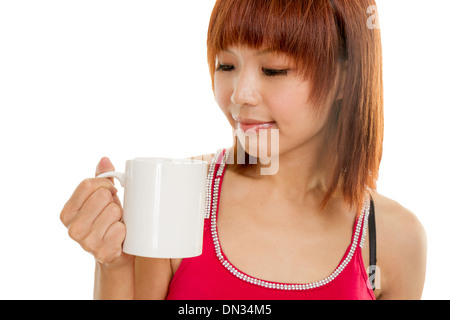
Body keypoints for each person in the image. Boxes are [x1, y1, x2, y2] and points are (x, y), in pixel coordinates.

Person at [60, 0, 427, 300]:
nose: (239, 95)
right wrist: (114, 265)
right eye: (227, 65)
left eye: (273, 69)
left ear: (346, 78)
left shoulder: (394, 238)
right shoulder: (179, 193)